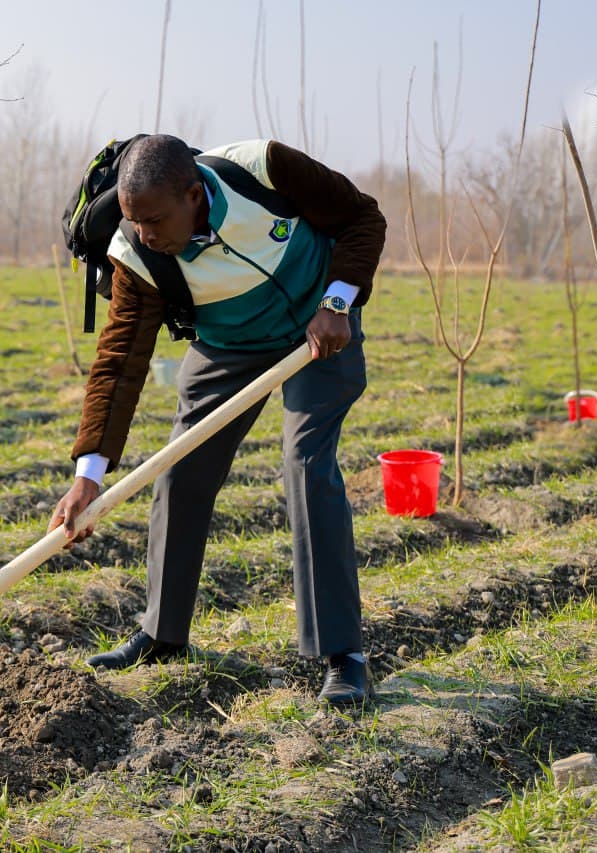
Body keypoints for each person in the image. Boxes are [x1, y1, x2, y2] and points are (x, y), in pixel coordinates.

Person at [49, 135, 386, 707]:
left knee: (306, 465)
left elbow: (362, 219)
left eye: (155, 220)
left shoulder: (264, 169)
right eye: (134, 222)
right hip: (227, 345)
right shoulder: (137, 255)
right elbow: (119, 362)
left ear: (193, 193)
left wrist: (337, 303)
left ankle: (343, 655)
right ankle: (163, 635)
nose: (145, 234)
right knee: (179, 470)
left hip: (318, 328)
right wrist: (90, 473)